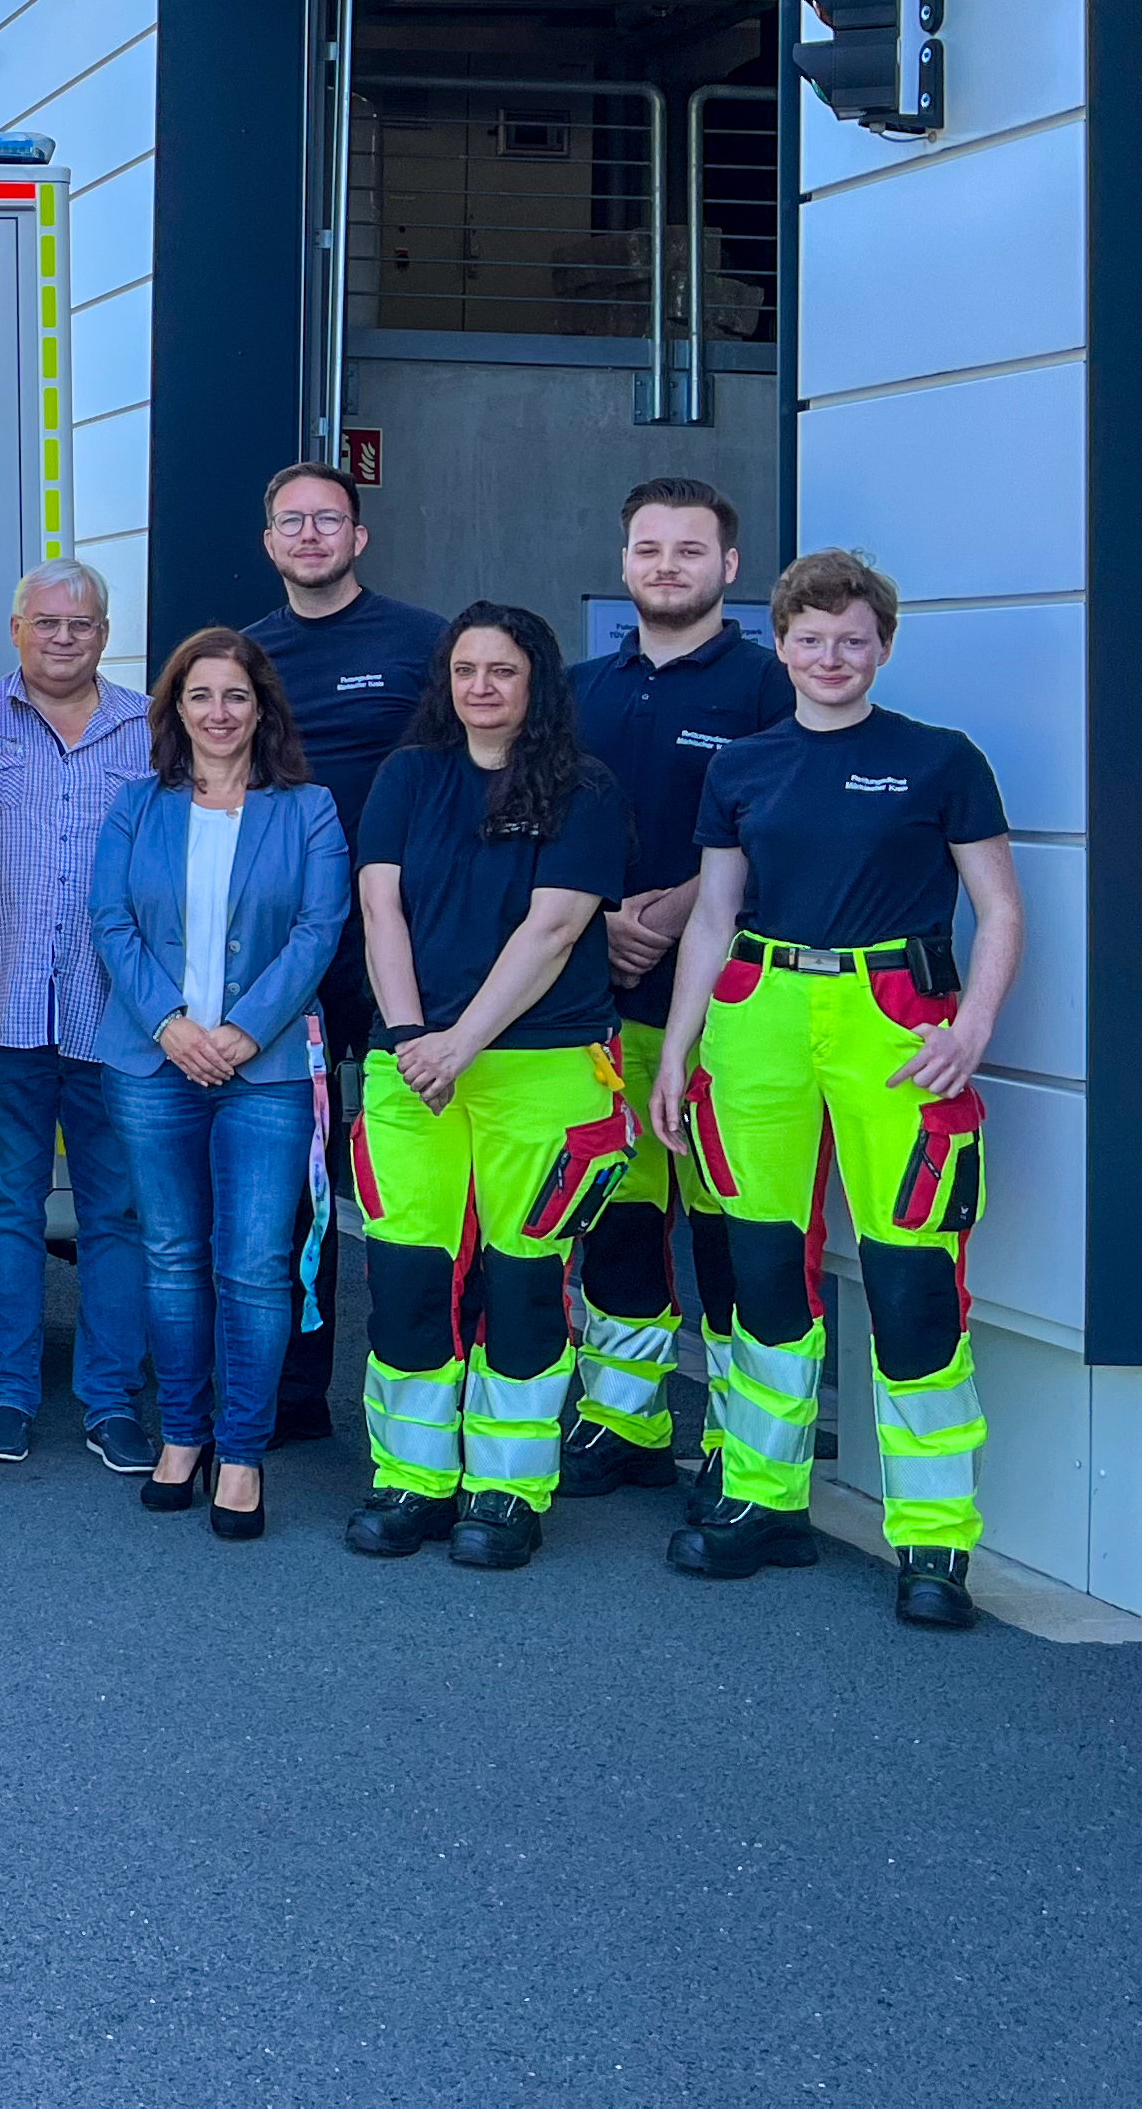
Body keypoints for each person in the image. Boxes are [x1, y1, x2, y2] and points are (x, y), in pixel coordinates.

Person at [653, 549, 1023, 1630]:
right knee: (764, 1266)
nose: (831, 658)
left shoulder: (939, 759)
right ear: (784, 644)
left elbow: (997, 908)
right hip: (757, 1013)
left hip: (893, 1021)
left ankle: (935, 1543)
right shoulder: (744, 766)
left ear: (883, 646)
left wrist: (973, 1026)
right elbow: (712, 916)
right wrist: (680, 1049)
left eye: (851, 640)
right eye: (810, 640)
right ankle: (764, 1502)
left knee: (914, 1281)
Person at [341, 601, 633, 1572]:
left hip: (540, 1069)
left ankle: (507, 1488)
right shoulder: (408, 776)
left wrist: (459, 1042)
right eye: (465, 669)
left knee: (522, 1285)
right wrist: (414, 1035)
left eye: (502, 671)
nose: (480, 687)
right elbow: (380, 911)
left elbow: (553, 931)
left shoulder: (583, 788)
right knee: (410, 1280)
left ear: (536, 682)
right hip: (413, 1068)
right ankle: (412, 1480)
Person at [89, 630, 351, 1540]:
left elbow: (319, 931)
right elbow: (110, 921)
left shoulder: (308, 808)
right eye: (200, 696)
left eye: (236, 695)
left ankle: (242, 1453)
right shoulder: (136, 807)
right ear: (175, 710)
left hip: (267, 1069)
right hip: (152, 1062)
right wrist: (170, 1024)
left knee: (251, 1268)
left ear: (261, 707)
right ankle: (183, 1438)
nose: (219, 713)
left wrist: (239, 1035)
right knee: (170, 1257)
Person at [562, 478, 792, 1510]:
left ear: (729, 568)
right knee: (615, 1216)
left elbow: (783, 826)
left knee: (723, 1231)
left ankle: (738, 1450)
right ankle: (626, 1422)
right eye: (649, 549)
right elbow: (549, 826)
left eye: (690, 550)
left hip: (724, 1006)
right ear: (623, 565)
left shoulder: (766, 687)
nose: (667, 566)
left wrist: (677, 910)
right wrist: (604, 916)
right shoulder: (579, 690)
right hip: (602, 996)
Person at [239, 462, 451, 1450]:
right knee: (301, 1173)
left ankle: (444, 1390)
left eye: (331, 519)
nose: (313, 535)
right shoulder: (248, 654)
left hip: (413, 944)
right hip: (296, 955)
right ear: (270, 541)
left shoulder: (422, 644)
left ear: (359, 538)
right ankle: (291, 1396)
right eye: (294, 522)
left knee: (430, 1170)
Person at [0, 558, 156, 1475]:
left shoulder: (150, 730)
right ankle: (6, 1396)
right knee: (3, 1213)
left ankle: (111, 1404)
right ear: (16, 628)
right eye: (47, 622)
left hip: (120, 1018)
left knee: (118, 1215)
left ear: (103, 634)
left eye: (82, 624)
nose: (63, 637)